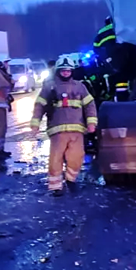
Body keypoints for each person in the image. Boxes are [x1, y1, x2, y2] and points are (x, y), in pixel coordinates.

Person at [31, 56, 98, 196]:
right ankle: (56, 186)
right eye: (63, 71)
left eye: (68, 71)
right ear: (58, 71)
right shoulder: (49, 86)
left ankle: (71, 179)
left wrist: (92, 123)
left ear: (72, 71)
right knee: (56, 158)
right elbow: (40, 105)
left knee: (77, 157)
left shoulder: (80, 87)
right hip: (57, 129)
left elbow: (90, 105)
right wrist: (35, 123)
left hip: (77, 129)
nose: (66, 73)